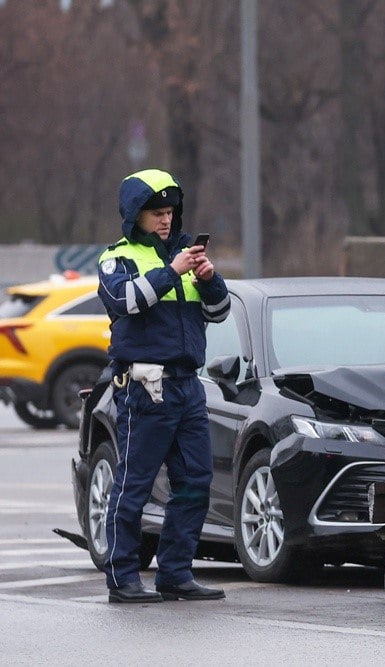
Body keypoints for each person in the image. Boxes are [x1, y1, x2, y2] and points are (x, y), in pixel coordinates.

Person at [96, 169, 230, 603]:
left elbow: (220, 312)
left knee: (195, 481)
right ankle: (123, 578)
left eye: (170, 212)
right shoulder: (118, 259)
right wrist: (173, 270)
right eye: (157, 213)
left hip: (188, 387)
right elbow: (126, 301)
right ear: (136, 216)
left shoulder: (187, 259)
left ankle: (175, 573)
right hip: (145, 387)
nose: (166, 220)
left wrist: (209, 279)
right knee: (134, 484)